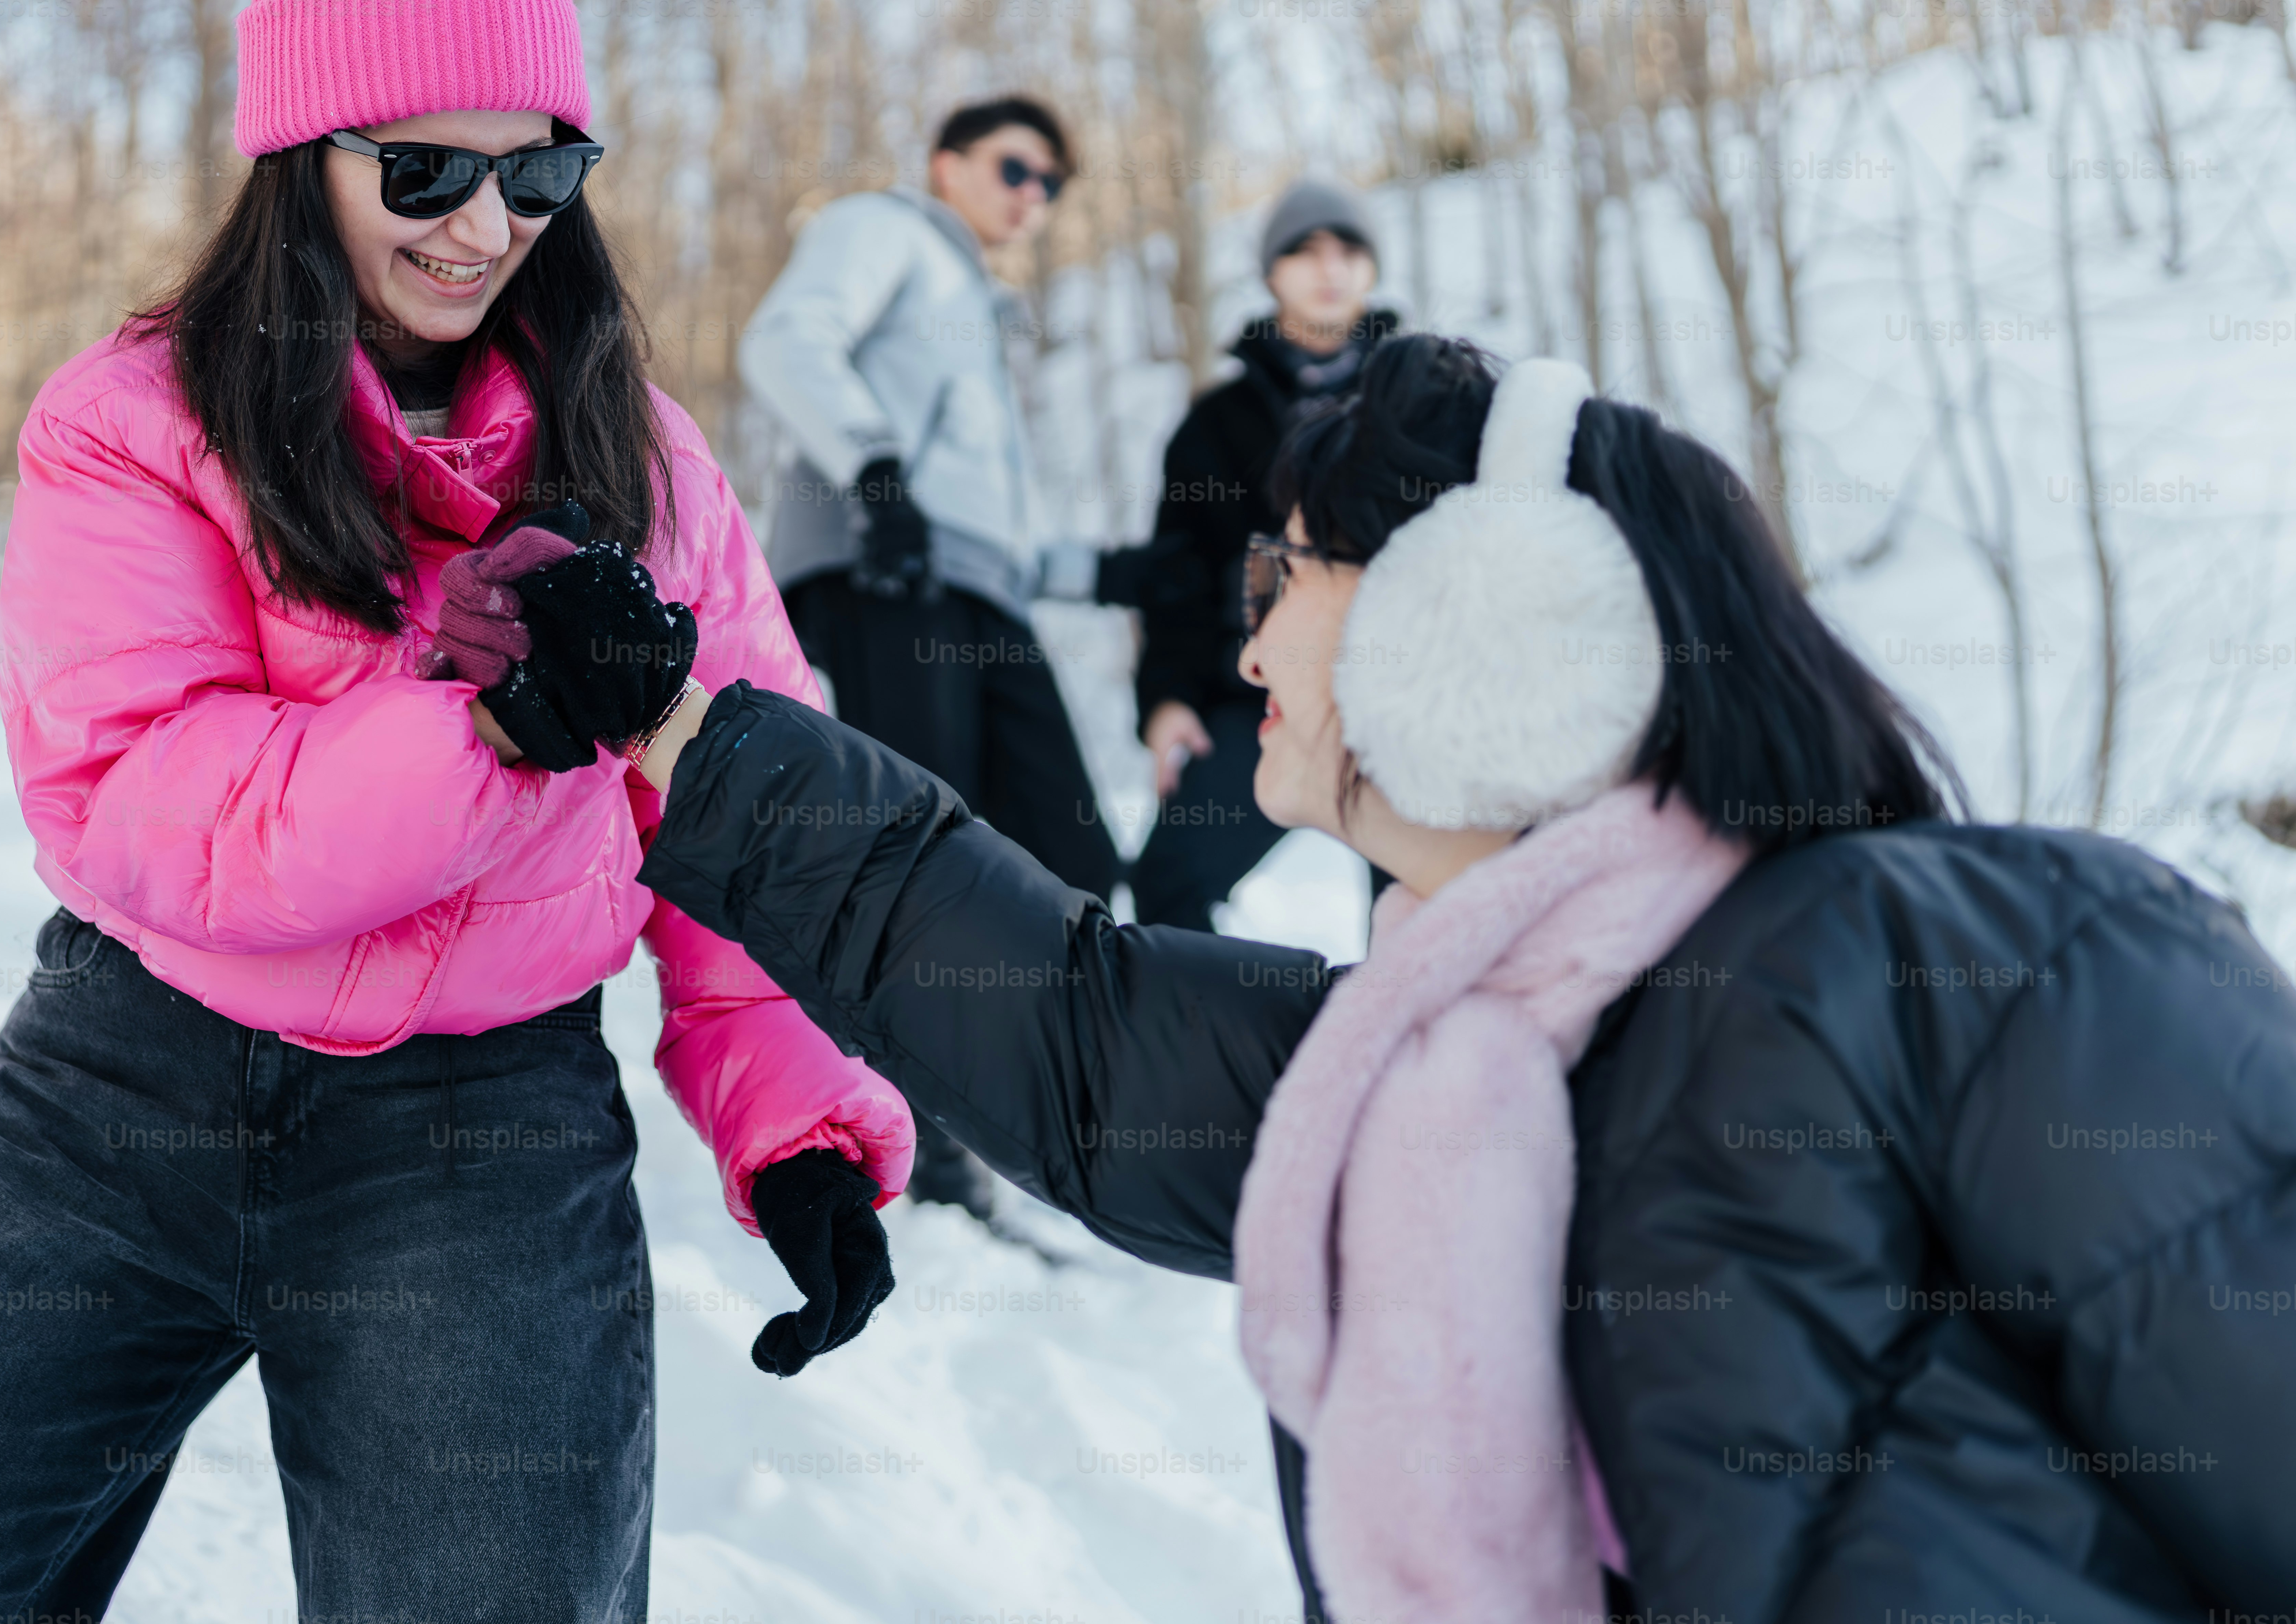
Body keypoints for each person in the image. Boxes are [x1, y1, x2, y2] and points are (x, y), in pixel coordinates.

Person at [488, 332, 2296, 1622]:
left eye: (1294, 567)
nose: (1253, 625)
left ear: (1489, 614)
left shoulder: (1998, 958)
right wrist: (679, 721)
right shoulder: (1420, 1079)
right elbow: (1070, 1022)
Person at [0, 0, 911, 1624]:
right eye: (428, 169)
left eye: (540, 170)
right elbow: (144, 804)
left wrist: (798, 1122)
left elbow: (749, 807)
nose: (491, 225)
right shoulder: (135, 425)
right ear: (307, 152)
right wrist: (480, 729)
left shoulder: (641, 461)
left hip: (478, 1135)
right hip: (131, 1087)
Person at [737, 95, 1126, 1217]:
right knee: (928, 859)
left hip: (975, 588)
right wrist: (874, 475)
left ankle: (1021, 1112)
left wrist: (1104, 572)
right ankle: (923, 1135)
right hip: (885, 574)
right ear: (947, 163)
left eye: (1051, 184)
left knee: (1067, 847)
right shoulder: (882, 229)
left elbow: (986, 517)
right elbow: (784, 339)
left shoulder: (984, 308)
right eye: (1015, 168)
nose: (1031, 196)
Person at [1127, 178, 1398, 933]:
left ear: (1372, 268)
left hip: (1404, 697)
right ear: (1272, 272)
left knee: (1424, 905)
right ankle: (1223, 1051)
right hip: (1264, 699)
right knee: (1168, 889)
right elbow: (1175, 578)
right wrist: (1167, 698)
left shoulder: (1421, 401)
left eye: (1348, 248)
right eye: (1305, 250)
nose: (1329, 267)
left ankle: (1406, 1045)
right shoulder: (1214, 426)